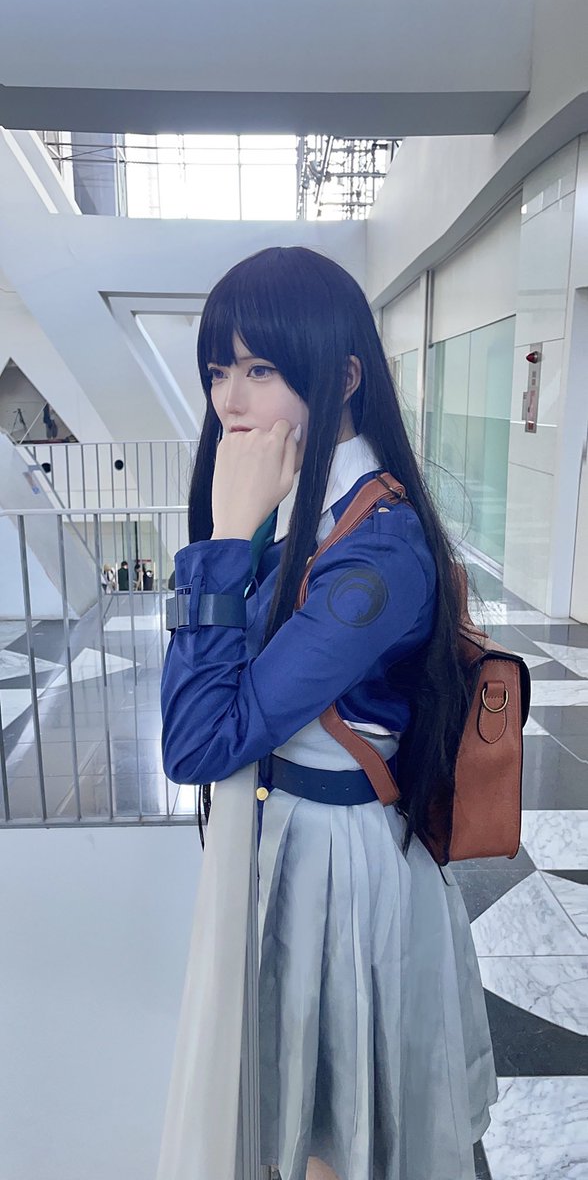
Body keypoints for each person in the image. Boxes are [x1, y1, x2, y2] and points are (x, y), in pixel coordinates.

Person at [160, 246, 497, 1180]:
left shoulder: (377, 546)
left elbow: (198, 740)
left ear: (344, 377)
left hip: (344, 871)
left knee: (341, 1134)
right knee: (301, 1120)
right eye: (219, 370)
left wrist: (227, 538)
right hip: (291, 842)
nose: (230, 401)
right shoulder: (303, 504)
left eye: (261, 369)